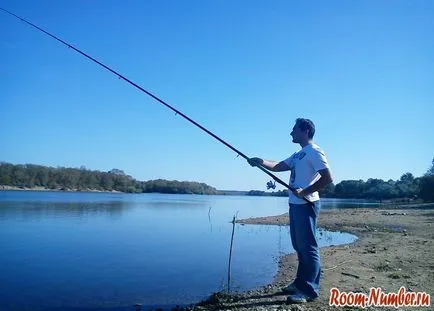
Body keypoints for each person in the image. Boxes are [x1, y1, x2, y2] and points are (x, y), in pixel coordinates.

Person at [248, 118, 333, 303]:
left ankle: (309, 290)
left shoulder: (314, 151)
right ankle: (299, 283)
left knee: (308, 247)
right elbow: (278, 166)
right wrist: (260, 161)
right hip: (295, 204)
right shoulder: (298, 154)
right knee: (298, 246)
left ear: (305, 130)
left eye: (294, 129)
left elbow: (327, 178)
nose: (291, 133)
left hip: (306, 204)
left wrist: (306, 191)